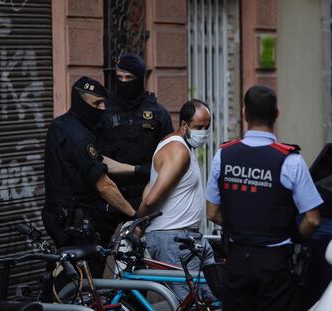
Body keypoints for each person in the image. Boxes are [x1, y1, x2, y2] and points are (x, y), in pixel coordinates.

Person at [206, 85, 322, 311]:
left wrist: (240, 228)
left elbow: (211, 212)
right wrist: (293, 234)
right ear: (276, 113)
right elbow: (314, 219)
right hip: (275, 263)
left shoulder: (224, 155)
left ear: (244, 113)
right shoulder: (290, 160)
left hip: (236, 260)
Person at [43, 76, 136, 278]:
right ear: (80, 102)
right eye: (97, 103)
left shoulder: (60, 126)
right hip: (76, 224)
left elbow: (96, 160)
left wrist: (135, 169)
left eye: (104, 102)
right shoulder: (79, 136)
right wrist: (133, 215)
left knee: (68, 277)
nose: (102, 108)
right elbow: (104, 185)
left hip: (58, 216)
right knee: (87, 283)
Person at [139, 99, 216, 301]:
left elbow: (149, 186)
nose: (204, 132)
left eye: (207, 127)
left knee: (210, 298)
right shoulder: (178, 150)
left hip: (188, 238)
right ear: (183, 125)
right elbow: (151, 198)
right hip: (173, 238)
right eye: (199, 127)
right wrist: (137, 224)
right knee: (187, 303)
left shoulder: (182, 147)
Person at [95, 53, 174, 243]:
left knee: (145, 254)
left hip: (146, 195)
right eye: (119, 77)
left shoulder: (157, 113)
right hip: (110, 193)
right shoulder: (104, 109)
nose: (123, 82)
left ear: (139, 79)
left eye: (129, 78)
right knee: (99, 252)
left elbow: (169, 156)